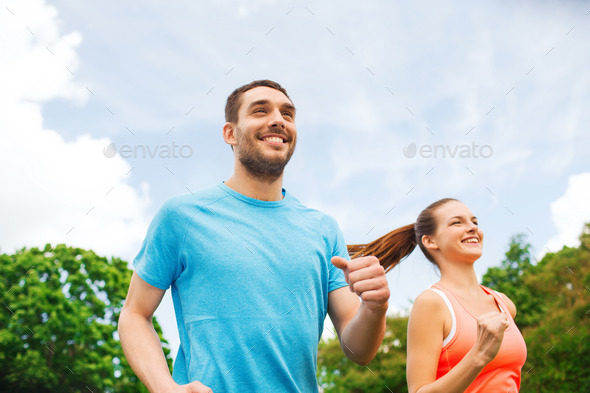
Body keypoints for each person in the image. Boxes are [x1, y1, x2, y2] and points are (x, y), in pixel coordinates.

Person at [118, 80, 390, 393]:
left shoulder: (323, 229)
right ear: (230, 133)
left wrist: (375, 308)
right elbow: (135, 314)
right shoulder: (182, 217)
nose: (278, 120)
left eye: (288, 114)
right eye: (260, 110)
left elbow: (359, 350)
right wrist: (165, 387)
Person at [348, 198, 527, 393]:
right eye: (457, 222)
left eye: (474, 222)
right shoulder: (432, 303)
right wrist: (479, 355)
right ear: (430, 241)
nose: (472, 228)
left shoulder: (504, 304)